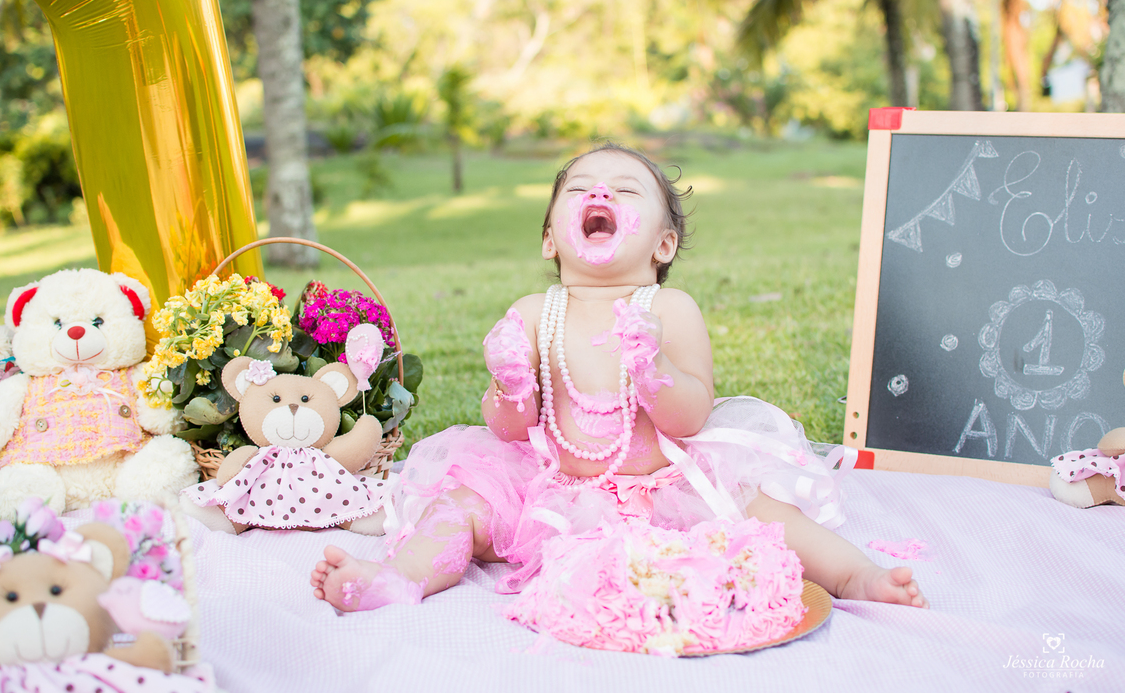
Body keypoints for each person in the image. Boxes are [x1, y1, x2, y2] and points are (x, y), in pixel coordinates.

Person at [311, 143, 928, 612]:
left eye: (625, 190)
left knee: (765, 515)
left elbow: (690, 417)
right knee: (459, 508)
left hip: (664, 483)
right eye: (580, 187)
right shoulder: (533, 312)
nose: (599, 191)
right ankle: (399, 579)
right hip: (547, 486)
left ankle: (856, 577)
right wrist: (510, 385)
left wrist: (653, 369)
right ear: (553, 239)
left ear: (663, 245)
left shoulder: (669, 310)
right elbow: (506, 431)